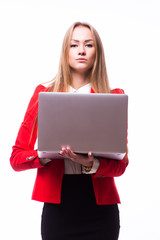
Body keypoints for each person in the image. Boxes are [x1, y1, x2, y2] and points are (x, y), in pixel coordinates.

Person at [10, 22, 129, 240]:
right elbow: (16, 158)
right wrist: (45, 155)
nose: (81, 50)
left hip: (101, 212)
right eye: (74, 45)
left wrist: (89, 163)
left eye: (88, 45)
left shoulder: (113, 98)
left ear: (97, 52)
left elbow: (121, 166)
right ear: (66, 51)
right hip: (58, 211)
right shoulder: (42, 95)